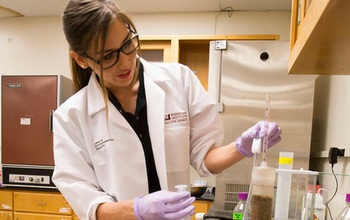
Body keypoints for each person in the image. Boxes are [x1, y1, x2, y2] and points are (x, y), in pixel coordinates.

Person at [52, 0, 282, 219]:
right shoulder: (71, 117)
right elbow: (89, 204)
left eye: (127, 45)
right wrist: (137, 210)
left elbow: (206, 157)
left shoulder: (179, 81)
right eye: (107, 57)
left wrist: (242, 147)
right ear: (81, 60)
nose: (125, 63)